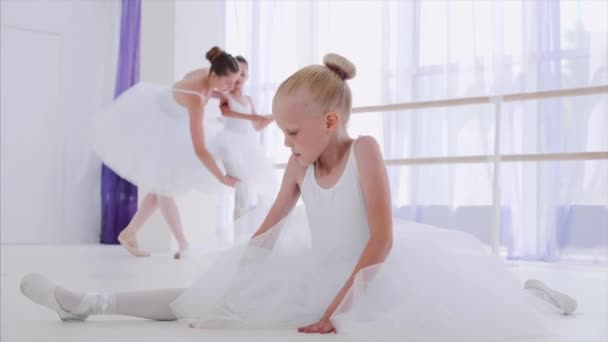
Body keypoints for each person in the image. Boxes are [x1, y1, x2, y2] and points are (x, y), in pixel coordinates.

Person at [20, 53, 577, 339]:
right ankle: (88, 304)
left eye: (291, 132)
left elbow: (380, 239)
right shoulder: (298, 164)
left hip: (372, 273)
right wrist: (228, 287)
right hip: (316, 269)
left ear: (330, 120)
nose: (285, 143)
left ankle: (538, 292)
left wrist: (337, 311)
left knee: (485, 314)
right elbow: (269, 228)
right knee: (203, 296)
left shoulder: (365, 151)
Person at [91, 46, 260, 259]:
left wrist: (224, 97)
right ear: (215, 75)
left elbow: (211, 91)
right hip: (158, 125)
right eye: (228, 82)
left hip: (172, 121)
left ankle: (130, 232)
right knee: (165, 189)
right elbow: (200, 149)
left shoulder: (207, 74)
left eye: (234, 82)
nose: (231, 87)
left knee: (160, 186)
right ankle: (184, 244)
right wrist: (221, 176)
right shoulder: (196, 98)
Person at [215, 55, 275, 242]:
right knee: (241, 189)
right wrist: (254, 118)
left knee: (251, 193)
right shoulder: (226, 96)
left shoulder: (248, 100)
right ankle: (239, 242)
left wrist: (268, 120)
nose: (240, 79)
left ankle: (253, 239)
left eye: (244, 75)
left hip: (249, 148)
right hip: (231, 146)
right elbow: (226, 113)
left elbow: (255, 127)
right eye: (237, 74)